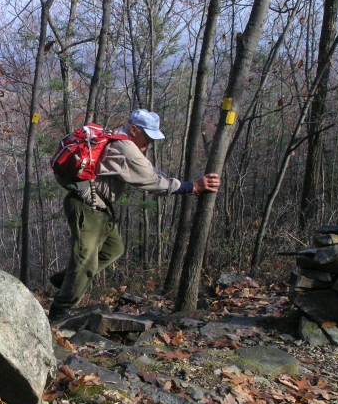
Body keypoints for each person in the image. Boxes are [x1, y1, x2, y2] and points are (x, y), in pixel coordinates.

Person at [48, 109, 221, 322]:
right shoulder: (125, 147)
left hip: (98, 207)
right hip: (87, 206)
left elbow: (148, 170)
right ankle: (59, 312)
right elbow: (152, 181)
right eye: (147, 136)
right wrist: (190, 186)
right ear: (133, 129)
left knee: (113, 249)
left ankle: (66, 280)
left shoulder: (118, 139)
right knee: (85, 262)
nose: (150, 142)